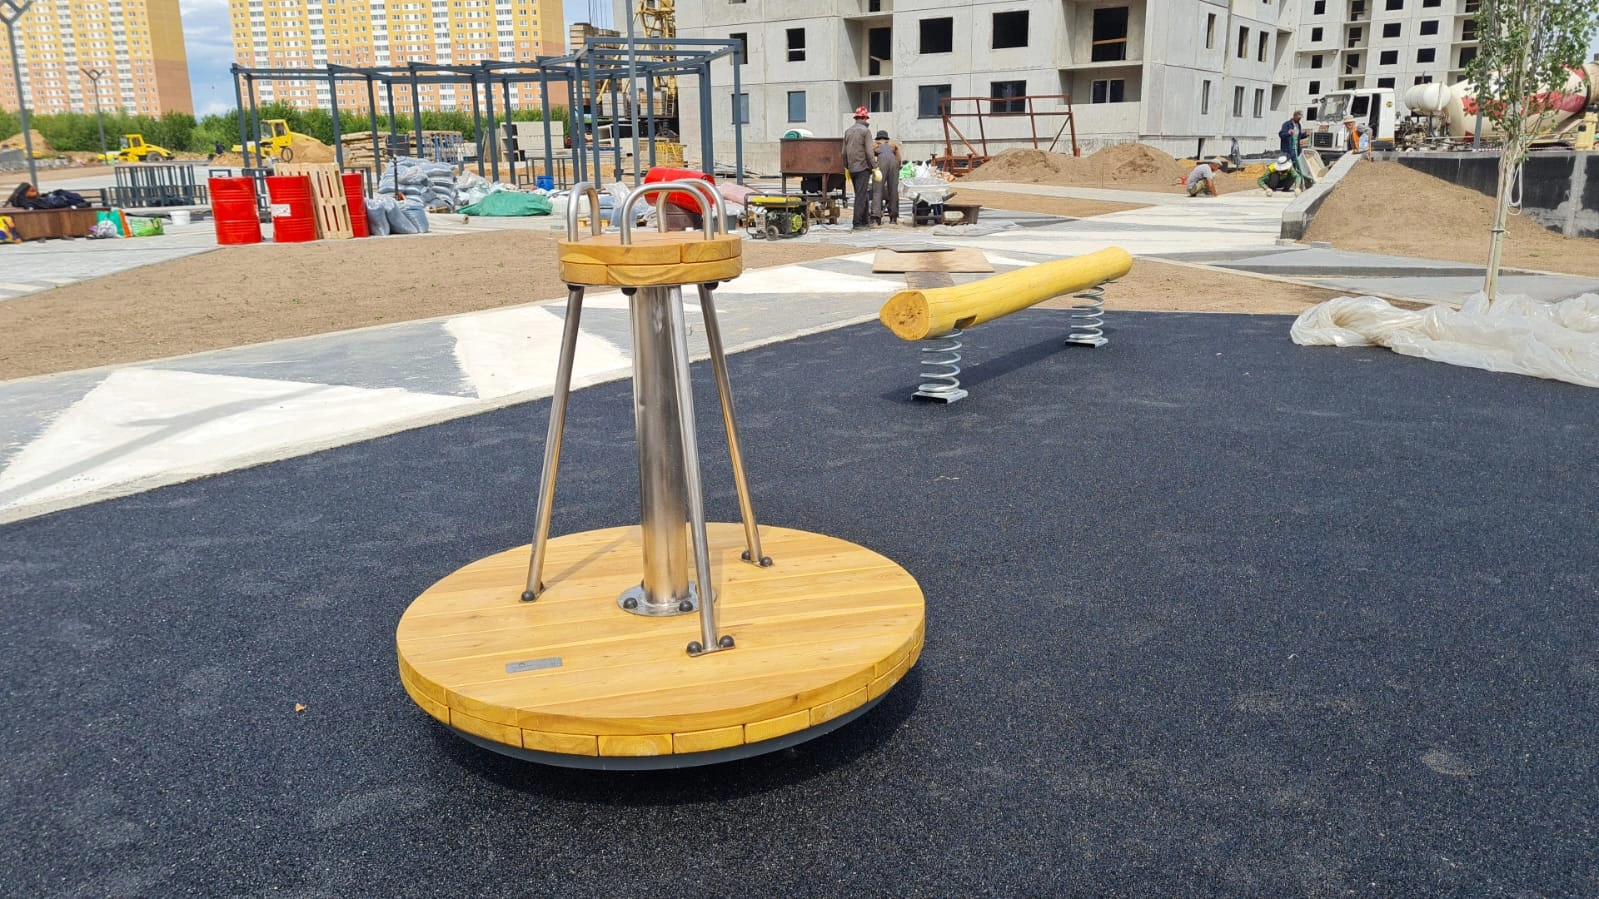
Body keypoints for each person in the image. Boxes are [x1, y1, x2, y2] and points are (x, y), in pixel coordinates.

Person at [842, 106, 874, 228]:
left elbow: (843, 152)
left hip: (852, 168)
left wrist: (846, 166)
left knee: (862, 193)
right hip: (863, 168)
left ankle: (865, 220)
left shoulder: (848, 131)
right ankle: (857, 222)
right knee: (860, 196)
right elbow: (869, 152)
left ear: (856, 118)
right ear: (865, 118)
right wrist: (875, 166)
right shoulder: (865, 131)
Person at [871, 129, 901, 225]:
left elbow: (870, 157)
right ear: (887, 138)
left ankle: (876, 217)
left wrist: (873, 167)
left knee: (877, 190)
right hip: (894, 163)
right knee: (893, 190)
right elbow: (899, 159)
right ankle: (893, 218)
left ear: (877, 138)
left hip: (882, 163)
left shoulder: (875, 145)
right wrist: (897, 168)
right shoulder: (893, 145)